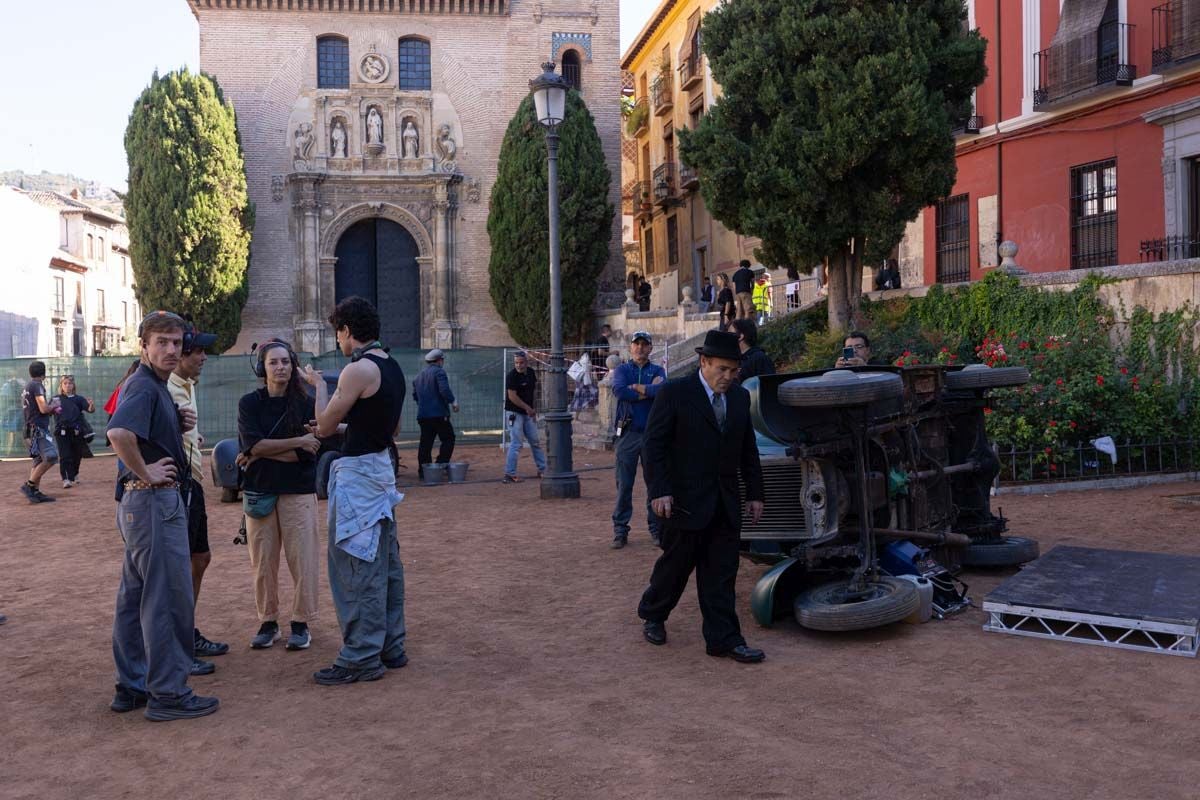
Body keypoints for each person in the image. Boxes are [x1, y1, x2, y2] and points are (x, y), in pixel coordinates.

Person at [107, 310, 218, 721]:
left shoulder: (150, 385)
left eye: (177, 342)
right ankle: (168, 694)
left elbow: (143, 429)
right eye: (163, 342)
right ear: (145, 345)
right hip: (153, 504)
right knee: (167, 600)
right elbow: (119, 434)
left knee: (134, 599)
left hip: (141, 508)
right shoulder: (144, 386)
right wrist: (146, 471)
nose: (172, 350)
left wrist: (178, 419)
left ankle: (132, 686)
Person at [637, 329, 766, 664]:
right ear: (704, 361)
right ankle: (653, 614)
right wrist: (659, 490)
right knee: (675, 567)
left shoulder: (738, 398)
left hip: (724, 502)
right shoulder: (675, 393)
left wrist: (755, 493)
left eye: (733, 370)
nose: (728, 376)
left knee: (722, 572)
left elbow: (747, 449)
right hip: (683, 501)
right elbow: (654, 446)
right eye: (722, 369)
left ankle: (724, 639)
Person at [306, 296, 407, 685]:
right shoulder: (393, 367)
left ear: (347, 331)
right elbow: (390, 430)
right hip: (381, 471)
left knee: (356, 564)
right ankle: (391, 645)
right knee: (385, 563)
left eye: (338, 332)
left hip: (358, 479)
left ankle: (361, 656)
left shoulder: (357, 370)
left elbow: (325, 426)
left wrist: (317, 386)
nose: (339, 340)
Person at [238, 339, 322, 653]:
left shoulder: (307, 400)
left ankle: (301, 623)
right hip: (260, 493)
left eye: (286, 361)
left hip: (298, 491)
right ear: (263, 368)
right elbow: (252, 446)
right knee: (262, 563)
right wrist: (296, 442)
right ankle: (268, 622)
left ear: (293, 364)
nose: (280, 367)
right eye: (273, 362)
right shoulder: (249, 403)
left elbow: (309, 454)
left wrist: (262, 452)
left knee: (303, 560)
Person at [167, 323, 229, 676]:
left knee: (199, 558)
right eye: (198, 351)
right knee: (179, 568)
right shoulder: (167, 388)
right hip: (178, 486)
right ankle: (177, 644)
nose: (204, 357)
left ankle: (185, 633)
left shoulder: (186, 385)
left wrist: (192, 435)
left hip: (193, 482)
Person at [609, 331, 667, 550]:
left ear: (650, 348)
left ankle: (656, 529)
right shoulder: (623, 369)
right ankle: (620, 531)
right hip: (628, 433)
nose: (640, 348)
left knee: (654, 484)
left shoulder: (657, 369)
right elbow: (620, 391)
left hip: (652, 435)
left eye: (645, 345)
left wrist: (641, 389)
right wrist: (648, 392)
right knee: (624, 485)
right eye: (637, 344)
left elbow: (663, 390)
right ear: (630, 347)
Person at [503, 351, 547, 483]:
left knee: (535, 441)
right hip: (514, 413)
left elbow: (532, 393)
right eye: (516, 363)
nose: (519, 365)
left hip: (527, 413)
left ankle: (543, 469)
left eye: (521, 362)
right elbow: (512, 397)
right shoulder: (512, 376)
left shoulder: (531, 373)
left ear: (526, 362)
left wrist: (533, 410)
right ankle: (510, 473)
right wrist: (528, 409)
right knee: (516, 443)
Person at [413, 348, 459, 474]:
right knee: (448, 438)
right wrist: (453, 401)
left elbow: (415, 396)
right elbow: (444, 390)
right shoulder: (439, 372)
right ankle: (440, 465)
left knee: (425, 443)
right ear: (439, 360)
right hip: (439, 414)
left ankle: (424, 471)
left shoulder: (418, 376)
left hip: (423, 415)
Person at [20, 361, 60, 503]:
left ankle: (34, 492)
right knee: (51, 457)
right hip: (37, 429)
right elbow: (43, 408)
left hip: (29, 428)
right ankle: (30, 486)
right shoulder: (37, 386)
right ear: (44, 373)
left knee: (38, 461)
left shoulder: (27, 386)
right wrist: (53, 406)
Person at [53, 375, 94, 488]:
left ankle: (74, 473)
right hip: (62, 432)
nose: (67, 385)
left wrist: (91, 405)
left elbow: (90, 410)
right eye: (65, 383)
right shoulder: (56, 399)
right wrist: (51, 409)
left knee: (77, 455)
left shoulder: (79, 399)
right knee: (65, 455)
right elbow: (48, 411)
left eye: (70, 383)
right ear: (61, 386)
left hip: (77, 431)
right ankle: (66, 479)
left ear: (73, 385)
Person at [732, 319, 775, 384]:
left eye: (730, 333)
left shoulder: (760, 359)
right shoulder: (734, 358)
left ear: (740, 336)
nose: (727, 336)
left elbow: (769, 385)